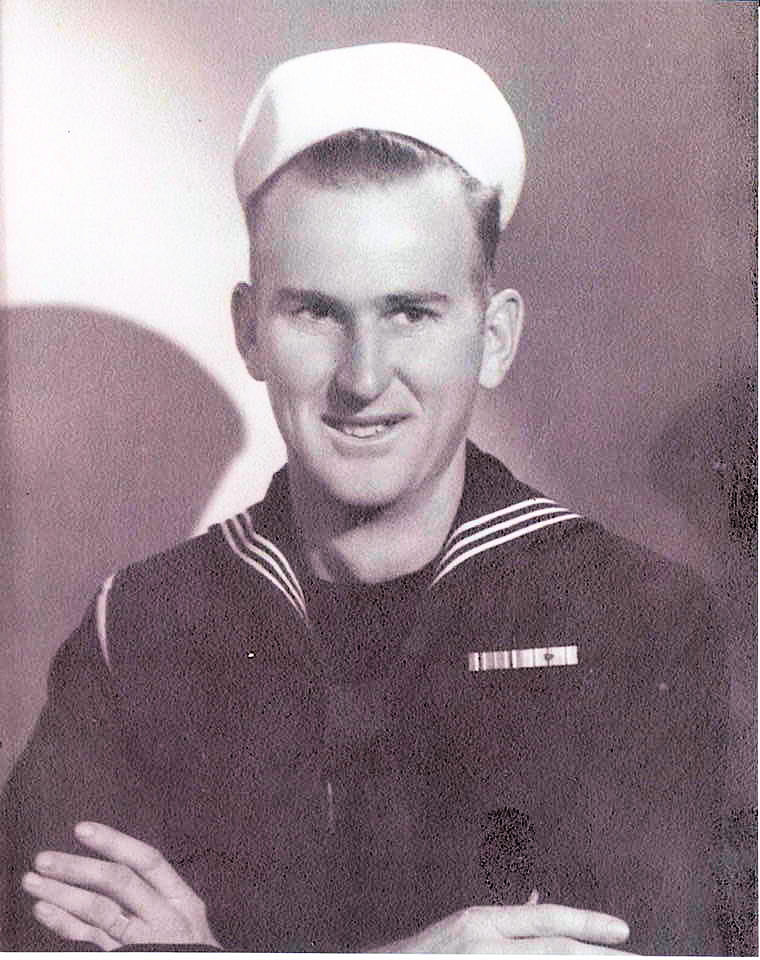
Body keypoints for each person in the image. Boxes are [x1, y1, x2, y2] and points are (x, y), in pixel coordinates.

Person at [1, 43, 729, 954]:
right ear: (250, 332)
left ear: (494, 337)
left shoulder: (636, 619)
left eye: (410, 313)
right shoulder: (139, 627)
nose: (363, 377)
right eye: (315, 312)